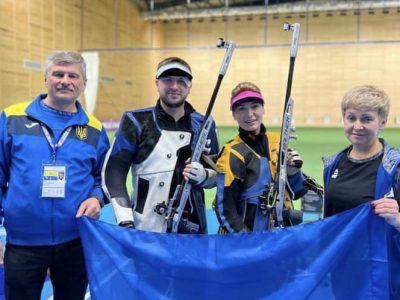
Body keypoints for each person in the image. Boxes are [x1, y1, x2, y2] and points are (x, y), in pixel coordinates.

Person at [0, 51, 110, 300]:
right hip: (22, 243)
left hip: (75, 241)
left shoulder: (94, 129)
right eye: (58, 74)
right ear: (45, 78)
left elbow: (103, 177)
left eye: (73, 75)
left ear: (84, 83)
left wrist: (96, 198)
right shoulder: (12, 118)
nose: (65, 80)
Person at [103, 56, 219, 234]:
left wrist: (204, 176)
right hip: (144, 229)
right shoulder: (135, 121)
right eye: (167, 80)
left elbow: (218, 176)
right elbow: (114, 172)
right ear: (157, 83)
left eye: (181, 81)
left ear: (190, 86)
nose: (174, 86)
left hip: (193, 232)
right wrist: (125, 221)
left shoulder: (205, 124)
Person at [322, 85, 400, 298]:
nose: (357, 126)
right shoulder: (332, 164)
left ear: (382, 122)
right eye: (351, 118)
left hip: (383, 271)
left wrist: (397, 219)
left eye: (366, 119)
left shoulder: (395, 166)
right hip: (344, 265)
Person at [214, 81, 313, 233]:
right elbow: (225, 209)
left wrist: (293, 172)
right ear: (234, 114)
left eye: (255, 106)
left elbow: (297, 192)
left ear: (263, 109)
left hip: (279, 239)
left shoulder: (279, 142)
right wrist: (247, 241)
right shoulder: (232, 152)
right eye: (241, 109)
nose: (249, 114)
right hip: (246, 243)